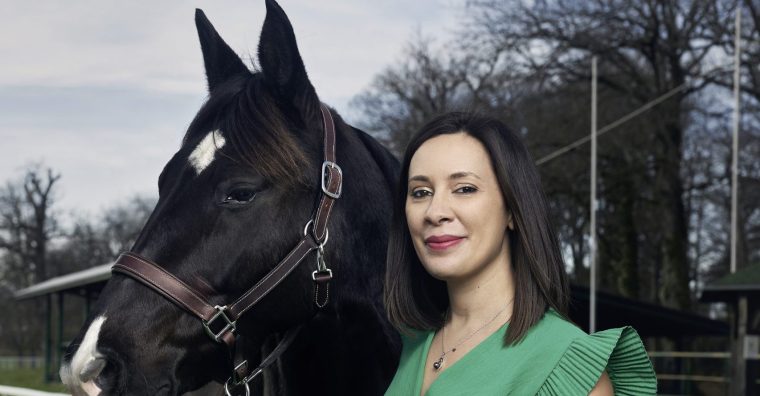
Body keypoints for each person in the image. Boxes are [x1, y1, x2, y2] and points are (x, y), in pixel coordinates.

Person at [383, 112, 657, 395]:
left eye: (464, 188)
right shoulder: (406, 345)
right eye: (420, 192)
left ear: (512, 210)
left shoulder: (565, 365)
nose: (435, 212)